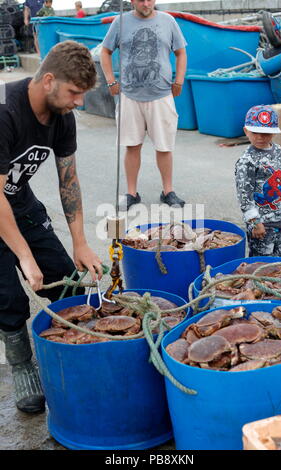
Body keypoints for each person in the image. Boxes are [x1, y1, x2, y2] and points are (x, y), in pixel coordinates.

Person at [0, 41, 103, 414]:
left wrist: (80, 243)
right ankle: (22, 365)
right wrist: (24, 257)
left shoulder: (62, 117)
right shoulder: (4, 110)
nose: (79, 101)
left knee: (63, 278)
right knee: (9, 297)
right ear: (48, 80)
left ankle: (83, 347)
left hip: (21, 204)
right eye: (74, 92)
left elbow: (69, 180)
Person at [100, 0, 187, 210]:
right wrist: (111, 80)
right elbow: (105, 51)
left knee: (164, 146)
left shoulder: (168, 21)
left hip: (161, 95)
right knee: (132, 145)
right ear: (132, 1)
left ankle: (168, 191)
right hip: (130, 95)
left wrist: (179, 80)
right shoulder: (120, 22)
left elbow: (181, 52)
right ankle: (131, 193)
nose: (146, 3)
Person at [235, 104, 281, 257]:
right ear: (246, 131)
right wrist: (255, 222)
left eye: (266, 133)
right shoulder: (246, 161)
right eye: (255, 132)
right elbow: (244, 195)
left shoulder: (277, 150)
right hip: (262, 224)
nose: (260, 137)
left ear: (274, 133)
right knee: (262, 263)